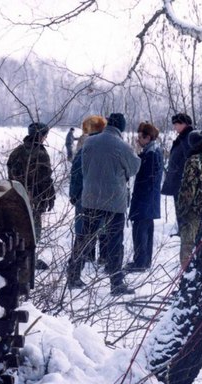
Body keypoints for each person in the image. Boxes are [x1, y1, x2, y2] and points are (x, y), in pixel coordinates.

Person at [67, 113, 141, 295]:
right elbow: (134, 168)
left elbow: (83, 168)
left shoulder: (89, 142)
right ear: (121, 127)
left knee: (84, 238)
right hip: (114, 202)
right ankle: (116, 283)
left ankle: (73, 275)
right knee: (114, 241)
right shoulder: (123, 146)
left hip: (90, 199)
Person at [7, 122, 55, 265]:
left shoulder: (17, 150)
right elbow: (46, 178)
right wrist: (50, 195)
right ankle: (28, 260)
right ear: (40, 136)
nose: (46, 138)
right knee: (34, 230)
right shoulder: (41, 153)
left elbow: (10, 173)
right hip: (34, 198)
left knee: (19, 227)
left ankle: (19, 257)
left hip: (16, 196)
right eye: (45, 135)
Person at [176, 130, 202, 266]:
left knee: (188, 248)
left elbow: (188, 191)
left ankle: (186, 275)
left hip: (195, 212)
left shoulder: (194, 161)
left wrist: (181, 211)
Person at [69, 115, 107, 263]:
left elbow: (76, 174)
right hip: (104, 196)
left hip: (85, 196)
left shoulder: (86, 148)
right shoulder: (108, 147)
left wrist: (74, 195)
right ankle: (104, 256)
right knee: (102, 226)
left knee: (83, 228)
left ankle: (82, 257)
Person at [127, 122, 164, 272]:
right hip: (148, 200)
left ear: (148, 138)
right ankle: (144, 261)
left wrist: (137, 158)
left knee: (140, 230)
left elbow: (147, 177)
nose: (138, 140)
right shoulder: (153, 151)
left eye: (140, 137)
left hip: (145, 199)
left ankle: (140, 262)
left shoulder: (152, 153)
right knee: (145, 229)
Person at [161, 113, 193, 264]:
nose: (175, 127)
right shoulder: (182, 137)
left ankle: (185, 236)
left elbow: (187, 160)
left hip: (183, 182)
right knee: (179, 209)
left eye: (177, 124)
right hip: (178, 181)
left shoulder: (189, 138)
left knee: (185, 212)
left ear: (184, 124)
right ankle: (182, 232)